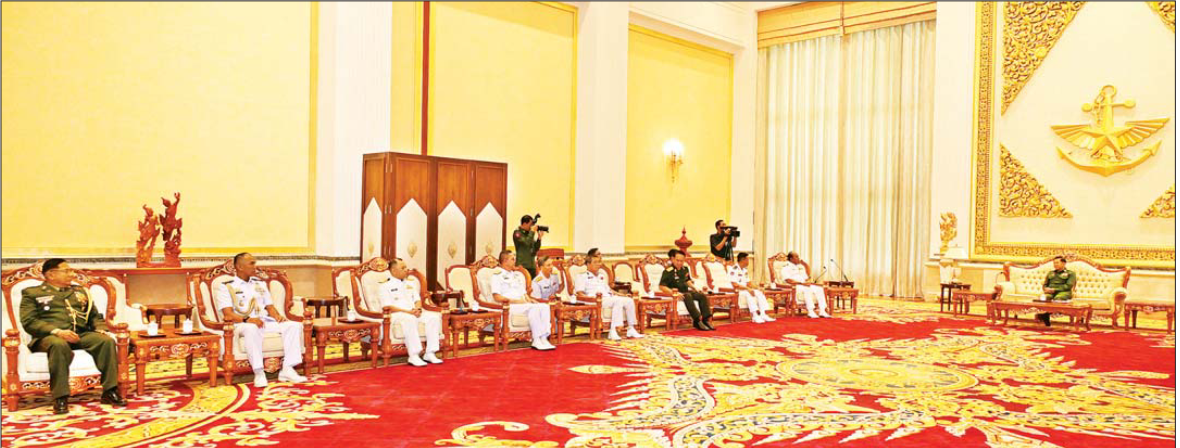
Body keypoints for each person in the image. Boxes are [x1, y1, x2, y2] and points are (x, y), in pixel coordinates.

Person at [20, 259, 127, 414]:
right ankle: (60, 397)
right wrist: (57, 332)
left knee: (106, 341)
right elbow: (29, 322)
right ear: (51, 274)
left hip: (79, 334)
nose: (72, 274)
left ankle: (109, 391)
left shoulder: (80, 291)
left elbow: (94, 316)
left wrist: (101, 328)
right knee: (58, 344)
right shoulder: (33, 293)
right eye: (67, 270)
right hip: (48, 337)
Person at [213, 253, 308, 387]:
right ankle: (259, 372)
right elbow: (227, 313)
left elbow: (270, 307)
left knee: (294, 326)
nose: (255, 266)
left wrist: (278, 317)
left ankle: (287, 369)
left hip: (264, 321)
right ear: (239, 266)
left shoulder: (260, 284)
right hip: (241, 324)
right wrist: (247, 319)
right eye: (251, 263)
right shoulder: (226, 287)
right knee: (252, 328)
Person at [376, 258, 443, 367]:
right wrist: (409, 312)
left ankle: (430, 353)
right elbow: (387, 306)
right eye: (403, 268)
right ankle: (414, 355)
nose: (406, 270)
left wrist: (419, 309)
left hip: (414, 312)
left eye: (406, 267)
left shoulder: (410, 283)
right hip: (397, 314)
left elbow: (417, 300)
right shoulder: (384, 286)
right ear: (393, 271)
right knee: (409, 319)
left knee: (433, 317)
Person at [490, 250, 556, 350]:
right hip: (509, 306)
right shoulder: (497, 275)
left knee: (544, 306)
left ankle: (544, 338)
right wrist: (516, 301)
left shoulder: (516, 275)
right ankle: (536, 339)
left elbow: (523, 293)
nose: (515, 261)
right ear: (505, 260)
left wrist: (530, 300)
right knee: (533, 309)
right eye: (512, 259)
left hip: (522, 304)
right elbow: (497, 297)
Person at [576, 253, 643, 340]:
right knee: (617, 301)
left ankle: (631, 328)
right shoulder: (582, 276)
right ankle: (613, 330)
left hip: (607, 298)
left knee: (629, 300)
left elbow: (609, 290)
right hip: (595, 300)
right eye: (595, 262)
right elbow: (579, 293)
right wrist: (592, 299)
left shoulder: (601, 276)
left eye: (599, 262)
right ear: (588, 264)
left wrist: (623, 295)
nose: (598, 264)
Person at [660, 249, 714, 331]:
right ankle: (697, 320)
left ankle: (705, 320)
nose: (679, 263)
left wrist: (694, 288)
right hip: (677, 294)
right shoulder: (668, 271)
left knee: (702, 295)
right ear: (673, 259)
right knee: (688, 296)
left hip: (685, 291)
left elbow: (687, 280)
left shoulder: (685, 269)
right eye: (677, 260)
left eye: (681, 261)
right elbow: (662, 286)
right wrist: (674, 293)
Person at [779, 251, 830, 318]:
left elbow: (807, 277)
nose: (798, 258)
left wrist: (805, 265)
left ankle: (822, 311)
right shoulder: (785, 267)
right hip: (794, 286)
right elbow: (788, 280)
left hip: (803, 285)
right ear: (791, 259)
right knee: (807, 289)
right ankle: (810, 311)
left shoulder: (800, 267)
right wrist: (801, 283)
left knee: (819, 289)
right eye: (796, 257)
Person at [728, 253, 776, 323]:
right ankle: (755, 315)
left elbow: (749, 283)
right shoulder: (733, 269)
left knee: (759, 292)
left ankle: (763, 314)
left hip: (745, 289)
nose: (749, 261)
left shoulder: (744, 270)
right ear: (743, 260)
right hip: (737, 291)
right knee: (749, 294)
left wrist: (758, 288)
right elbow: (735, 285)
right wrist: (748, 289)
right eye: (747, 259)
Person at [1035, 256, 1076, 327]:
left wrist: (1055, 290)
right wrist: (1046, 289)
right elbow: (1045, 284)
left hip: (1064, 292)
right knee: (1043, 298)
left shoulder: (1071, 273)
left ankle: (1045, 315)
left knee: (1058, 299)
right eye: (1054, 263)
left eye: (1057, 263)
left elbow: (1068, 286)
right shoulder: (1050, 273)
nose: (1055, 265)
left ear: (1064, 263)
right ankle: (1046, 316)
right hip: (1050, 292)